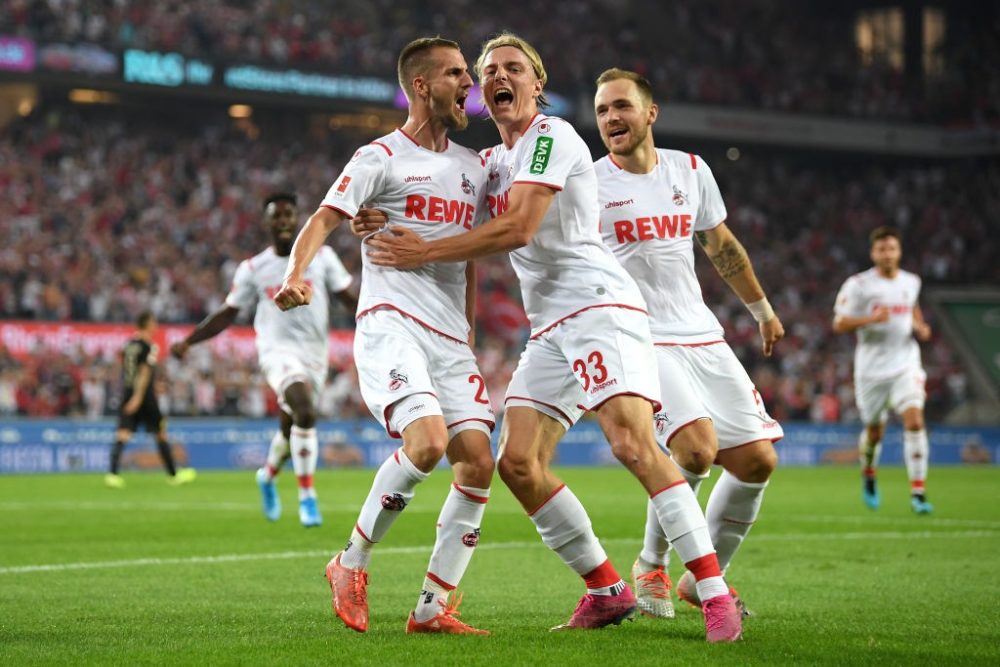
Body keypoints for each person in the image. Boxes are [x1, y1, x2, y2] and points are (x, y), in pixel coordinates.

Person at [360, 33, 742, 641]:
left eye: (513, 68)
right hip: (550, 328)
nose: (497, 77)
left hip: (598, 307)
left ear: (537, 84)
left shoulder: (553, 136)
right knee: (516, 462)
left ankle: (716, 592)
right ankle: (606, 588)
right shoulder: (491, 163)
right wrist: (379, 215)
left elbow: (518, 227)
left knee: (633, 444)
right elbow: (440, 200)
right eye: (488, 72)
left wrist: (424, 251)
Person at [274, 37, 496, 635]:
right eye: (456, 74)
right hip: (391, 322)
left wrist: (468, 331)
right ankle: (350, 563)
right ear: (422, 85)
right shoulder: (379, 157)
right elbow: (325, 217)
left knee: (477, 464)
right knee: (426, 443)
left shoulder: (475, 167)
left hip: (450, 338)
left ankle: (431, 610)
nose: (467, 85)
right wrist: (297, 274)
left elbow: (471, 256)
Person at [592, 69, 784, 619]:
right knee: (696, 448)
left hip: (700, 331)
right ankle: (651, 563)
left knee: (756, 462)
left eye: (621, 106)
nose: (611, 119)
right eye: (602, 110)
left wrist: (762, 309)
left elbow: (720, 243)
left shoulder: (691, 170)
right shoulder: (589, 183)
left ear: (650, 113)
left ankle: (702, 582)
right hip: (638, 334)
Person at [171, 193, 357, 527]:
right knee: (304, 410)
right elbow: (228, 314)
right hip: (276, 352)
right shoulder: (253, 269)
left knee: (292, 430)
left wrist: (383, 322)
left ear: (297, 218)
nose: (284, 220)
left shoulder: (324, 257)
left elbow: (348, 299)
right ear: (267, 222)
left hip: (315, 355)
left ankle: (267, 476)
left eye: (289, 214)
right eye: (277, 215)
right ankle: (307, 498)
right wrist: (189, 341)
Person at [834, 226, 933, 514]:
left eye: (892, 249)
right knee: (875, 432)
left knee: (914, 420)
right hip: (871, 370)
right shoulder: (859, 285)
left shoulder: (911, 281)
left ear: (899, 252)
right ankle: (869, 473)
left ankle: (918, 492)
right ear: (873, 253)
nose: (887, 254)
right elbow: (839, 323)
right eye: (882, 249)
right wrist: (869, 318)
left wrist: (919, 325)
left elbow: (912, 307)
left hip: (906, 363)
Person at [106, 311, 196, 488]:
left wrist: (135, 394)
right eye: (153, 322)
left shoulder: (129, 345)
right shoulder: (149, 346)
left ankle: (112, 475)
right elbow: (144, 373)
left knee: (123, 434)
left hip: (127, 392)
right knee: (160, 434)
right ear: (146, 324)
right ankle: (173, 475)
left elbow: (128, 372)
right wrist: (140, 397)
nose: (156, 325)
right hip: (144, 398)